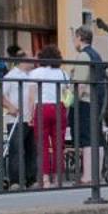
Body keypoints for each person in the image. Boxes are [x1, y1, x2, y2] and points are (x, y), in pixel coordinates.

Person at [25, 46, 69, 188]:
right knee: (58, 145)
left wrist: (31, 114)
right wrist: (65, 111)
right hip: (58, 107)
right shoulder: (63, 74)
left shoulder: (35, 73)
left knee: (42, 145)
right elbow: (67, 96)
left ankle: (45, 179)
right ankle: (58, 178)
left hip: (42, 108)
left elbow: (32, 96)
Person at [71, 26, 107, 184]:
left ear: (79, 37)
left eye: (74, 38)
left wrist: (72, 103)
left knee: (86, 139)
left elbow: (80, 83)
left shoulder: (83, 55)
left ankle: (87, 176)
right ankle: (97, 174)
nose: (74, 41)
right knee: (97, 138)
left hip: (86, 101)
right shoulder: (97, 55)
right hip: (98, 100)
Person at [0, 46, 36, 188]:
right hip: (16, 119)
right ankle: (15, 181)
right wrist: (10, 107)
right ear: (23, 60)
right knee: (16, 150)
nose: (33, 61)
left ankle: (31, 179)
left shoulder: (32, 75)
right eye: (30, 59)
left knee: (31, 150)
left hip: (30, 118)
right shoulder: (11, 75)